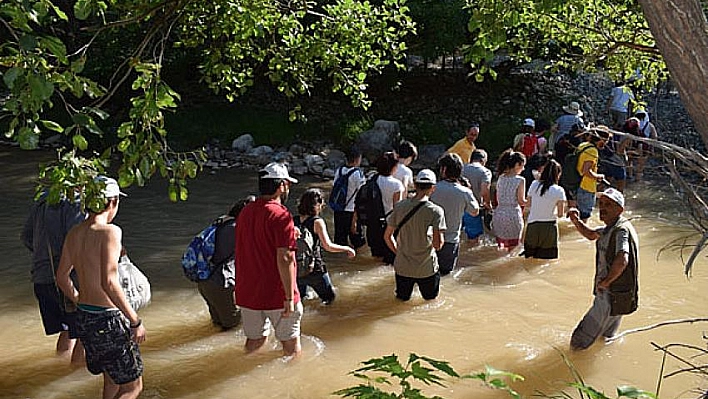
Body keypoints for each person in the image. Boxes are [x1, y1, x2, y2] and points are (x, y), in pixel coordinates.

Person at [56, 176, 146, 399]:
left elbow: (61, 277)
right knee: (133, 387)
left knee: (112, 382)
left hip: (85, 317)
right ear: (112, 201)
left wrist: (78, 299)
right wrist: (135, 321)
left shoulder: (74, 233)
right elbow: (109, 281)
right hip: (108, 318)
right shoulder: (111, 232)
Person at [235, 162, 302, 357]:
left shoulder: (245, 212)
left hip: (248, 292)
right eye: (288, 184)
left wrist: (290, 233)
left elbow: (255, 241)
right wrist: (289, 298)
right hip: (276, 294)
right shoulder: (281, 215)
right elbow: (285, 257)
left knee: (254, 341)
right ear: (281, 185)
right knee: (291, 348)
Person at [568, 188, 639, 350]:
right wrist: (576, 221)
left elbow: (622, 259)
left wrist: (606, 282)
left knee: (578, 341)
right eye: (601, 203)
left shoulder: (620, 230)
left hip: (610, 294)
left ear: (619, 209)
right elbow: (592, 235)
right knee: (605, 339)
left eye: (608, 204)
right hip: (622, 295)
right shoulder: (614, 227)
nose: (603, 208)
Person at [21, 191, 87, 363]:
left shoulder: (42, 199)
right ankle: (74, 382)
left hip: (41, 277)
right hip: (66, 279)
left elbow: (26, 237)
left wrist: (41, 257)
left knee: (67, 330)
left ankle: (61, 370)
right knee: (84, 333)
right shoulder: (75, 202)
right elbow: (77, 241)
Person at [384, 170, 446, 301]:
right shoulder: (436, 211)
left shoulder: (400, 206)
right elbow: (438, 245)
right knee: (429, 302)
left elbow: (387, 236)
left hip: (402, 267)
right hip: (426, 268)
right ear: (433, 188)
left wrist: (399, 252)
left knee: (401, 301)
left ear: (415, 185)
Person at [198, 196, 255, 330]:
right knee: (233, 327)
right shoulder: (238, 229)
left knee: (217, 324)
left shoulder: (221, 222)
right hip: (220, 283)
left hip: (204, 281)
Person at [296, 188, 356, 304]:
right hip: (315, 269)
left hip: (297, 268)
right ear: (317, 205)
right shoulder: (317, 222)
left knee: (299, 300)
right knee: (329, 299)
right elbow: (328, 246)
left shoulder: (294, 220)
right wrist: (347, 248)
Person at [430, 153, 479, 275]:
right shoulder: (464, 192)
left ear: (444, 169)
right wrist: (469, 190)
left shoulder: (432, 189)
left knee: (428, 274)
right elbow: (475, 212)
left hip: (430, 238)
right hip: (451, 241)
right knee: (445, 276)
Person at [523, 159, 566, 259]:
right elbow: (560, 214)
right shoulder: (559, 190)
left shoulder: (534, 184)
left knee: (529, 258)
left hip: (532, 226)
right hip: (549, 227)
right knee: (546, 260)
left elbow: (528, 205)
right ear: (558, 175)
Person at [366, 152, 404, 265]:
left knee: (376, 260)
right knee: (389, 260)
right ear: (394, 167)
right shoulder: (396, 185)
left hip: (373, 224)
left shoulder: (372, 179)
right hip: (388, 226)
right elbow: (398, 208)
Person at [491, 149, 527, 250]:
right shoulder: (520, 180)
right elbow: (521, 201)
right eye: (522, 165)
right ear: (517, 164)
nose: (523, 169)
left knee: (501, 248)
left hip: (499, 214)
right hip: (512, 215)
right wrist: (533, 201)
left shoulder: (501, 177)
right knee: (513, 250)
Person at [331, 147, 366, 249]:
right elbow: (361, 194)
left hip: (338, 209)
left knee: (339, 241)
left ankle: (340, 260)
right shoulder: (357, 174)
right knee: (358, 242)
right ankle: (355, 261)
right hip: (351, 211)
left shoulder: (340, 171)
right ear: (357, 159)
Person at [576, 127, 612, 223]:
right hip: (586, 187)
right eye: (606, 141)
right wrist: (598, 177)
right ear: (601, 139)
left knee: (577, 214)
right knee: (585, 217)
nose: (606, 144)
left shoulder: (583, 145)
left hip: (577, 184)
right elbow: (586, 171)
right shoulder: (593, 151)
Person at [461, 149, 493, 244]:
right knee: (473, 240)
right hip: (473, 208)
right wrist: (488, 204)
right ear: (483, 161)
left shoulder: (461, 168)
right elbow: (484, 191)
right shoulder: (485, 172)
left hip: (457, 207)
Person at [624, 109, 658, 182]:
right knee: (641, 164)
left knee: (630, 160)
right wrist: (652, 149)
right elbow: (654, 137)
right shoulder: (650, 125)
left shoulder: (633, 123)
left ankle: (630, 176)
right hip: (645, 146)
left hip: (632, 144)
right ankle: (638, 179)